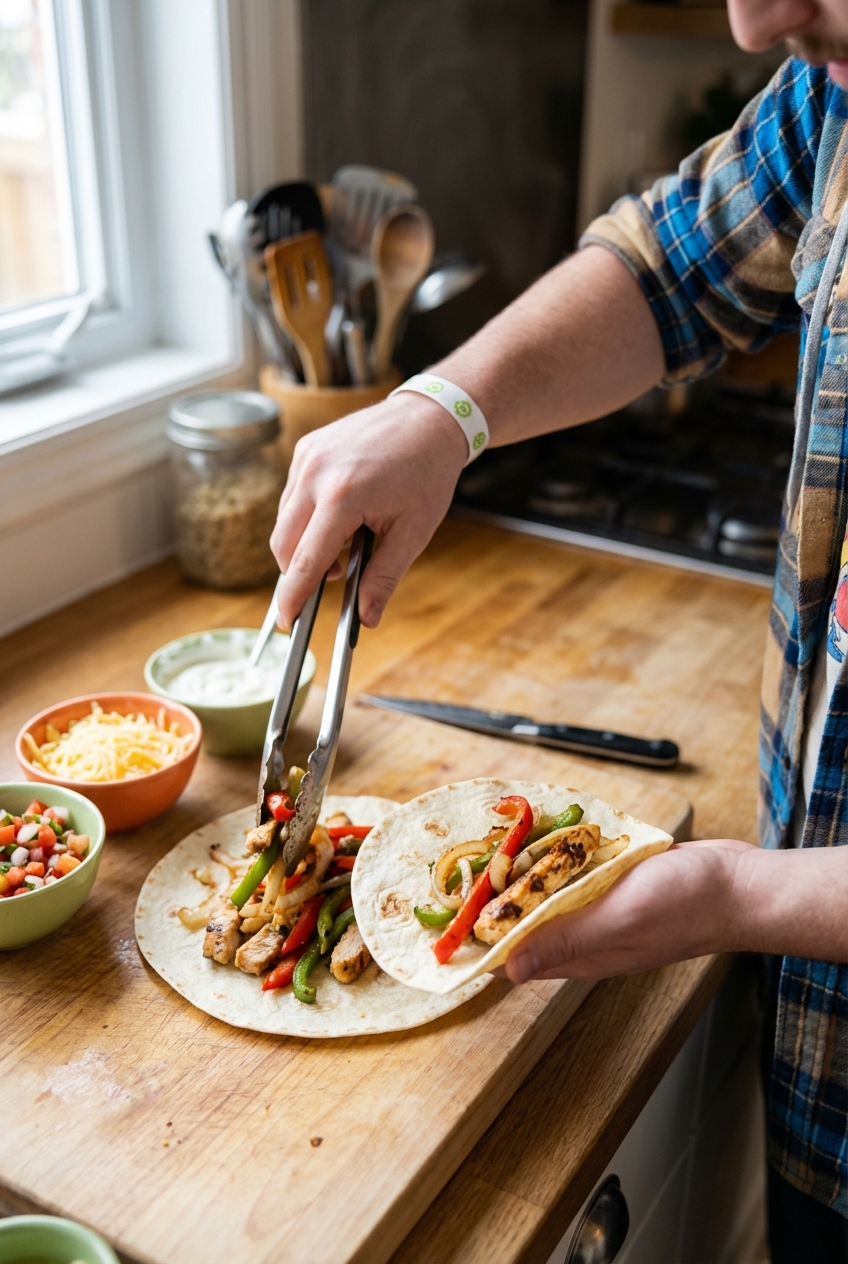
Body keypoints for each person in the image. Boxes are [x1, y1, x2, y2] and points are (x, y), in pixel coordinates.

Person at [270, 0, 848, 1257]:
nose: (754, 24)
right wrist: (439, 411)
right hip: (822, 1055)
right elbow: (668, 270)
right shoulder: (834, 91)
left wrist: (735, 891)